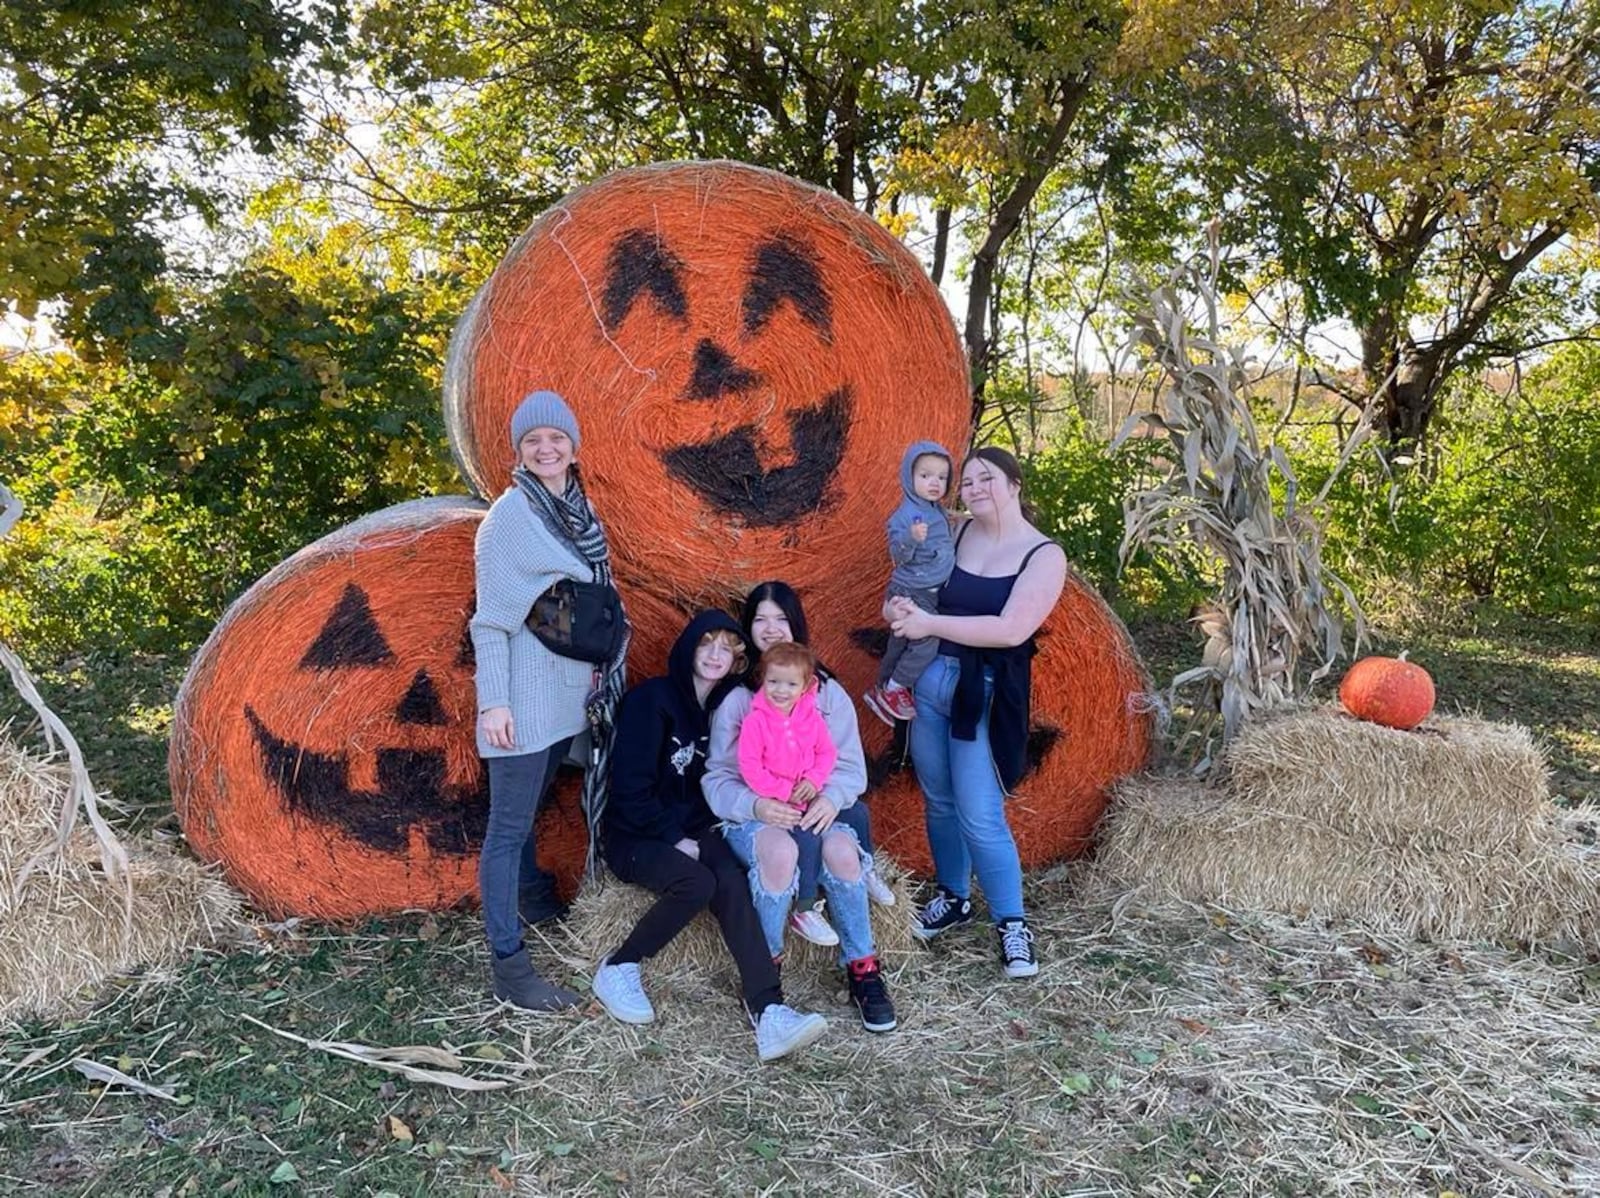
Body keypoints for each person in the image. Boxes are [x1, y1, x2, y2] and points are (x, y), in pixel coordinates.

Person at [593, 610, 828, 1062]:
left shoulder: (724, 711)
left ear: (739, 660)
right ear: (688, 647)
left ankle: (769, 1010)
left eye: (727, 647)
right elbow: (628, 789)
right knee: (697, 882)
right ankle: (620, 965)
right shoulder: (652, 700)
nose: (716, 654)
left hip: (694, 826)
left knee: (732, 881)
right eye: (706, 643)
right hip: (636, 835)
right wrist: (670, 836)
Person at [470, 389, 627, 1011]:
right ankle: (509, 966)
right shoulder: (509, 518)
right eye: (532, 440)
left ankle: (533, 899)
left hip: (566, 695)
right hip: (523, 702)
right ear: (518, 451)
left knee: (533, 807)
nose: (545, 447)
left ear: (573, 445)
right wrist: (494, 704)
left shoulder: (577, 511)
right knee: (506, 829)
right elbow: (490, 623)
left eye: (556, 438)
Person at [888, 447, 1067, 979]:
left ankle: (1012, 923)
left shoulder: (1043, 556)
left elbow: (1011, 629)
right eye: (966, 482)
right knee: (939, 800)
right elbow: (917, 585)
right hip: (931, 682)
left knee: (980, 814)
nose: (975, 488)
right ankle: (953, 896)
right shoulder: (957, 532)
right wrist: (898, 609)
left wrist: (928, 626)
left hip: (983, 692)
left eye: (987, 478)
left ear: (1014, 484)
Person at [703, 583, 898, 1034]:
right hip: (755, 813)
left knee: (843, 855)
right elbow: (716, 777)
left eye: (780, 619)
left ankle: (863, 969)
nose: (770, 629)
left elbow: (848, 765)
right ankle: (763, 976)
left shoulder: (826, 695)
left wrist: (830, 798)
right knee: (780, 854)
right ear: (748, 628)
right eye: (759, 620)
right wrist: (756, 805)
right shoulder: (737, 699)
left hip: (815, 808)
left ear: (797, 625)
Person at [864, 441, 955, 725]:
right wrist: (911, 538)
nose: (934, 483)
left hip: (924, 589)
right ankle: (895, 689)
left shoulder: (934, 509)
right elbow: (897, 555)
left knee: (899, 644)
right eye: (926, 476)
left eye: (941, 477)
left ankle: (880, 689)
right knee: (926, 641)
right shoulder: (906, 516)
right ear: (909, 476)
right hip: (912, 591)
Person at [738, 643, 837, 815]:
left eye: (792, 684)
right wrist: (784, 791)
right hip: (772, 804)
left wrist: (813, 779)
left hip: (809, 799)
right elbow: (750, 766)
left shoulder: (812, 717)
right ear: (763, 680)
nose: (781, 690)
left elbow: (827, 752)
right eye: (773, 681)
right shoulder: (755, 723)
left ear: (804, 687)